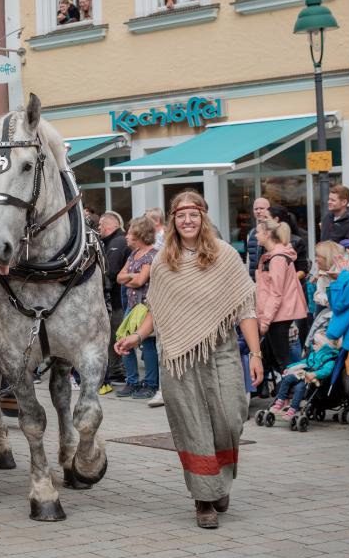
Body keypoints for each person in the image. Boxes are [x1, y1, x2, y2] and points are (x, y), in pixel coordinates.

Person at [116, 191, 263, 529]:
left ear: (203, 217)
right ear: (172, 220)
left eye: (193, 215)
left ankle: (219, 480)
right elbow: (156, 308)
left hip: (222, 350)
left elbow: (246, 307)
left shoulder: (225, 256)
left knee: (230, 419)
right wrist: (138, 336)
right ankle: (204, 499)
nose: (187, 221)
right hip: (179, 357)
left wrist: (255, 354)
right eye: (180, 215)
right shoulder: (163, 261)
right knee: (192, 426)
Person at [255, 219, 308, 380]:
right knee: (279, 361)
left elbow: (276, 292)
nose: (256, 235)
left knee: (283, 362)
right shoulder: (272, 256)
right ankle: (287, 397)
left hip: (277, 316)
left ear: (267, 234)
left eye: (258, 232)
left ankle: (290, 398)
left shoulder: (277, 259)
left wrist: (265, 321)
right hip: (275, 315)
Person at [116, 215, 160, 403]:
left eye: (131, 231)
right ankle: (132, 380)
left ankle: (150, 384)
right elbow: (119, 277)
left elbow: (141, 281)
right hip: (132, 305)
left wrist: (130, 277)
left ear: (140, 233)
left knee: (148, 345)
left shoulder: (153, 254)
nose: (127, 234)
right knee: (123, 339)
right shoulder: (134, 254)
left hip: (145, 306)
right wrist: (133, 276)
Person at [268, 332, 341, 422]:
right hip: (303, 373)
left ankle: (293, 409)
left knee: (300, 387)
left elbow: (326, 371)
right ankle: (280, 401)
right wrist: (290, 367)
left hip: (312, 379)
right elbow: (304, 362)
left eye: (315, 343)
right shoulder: (313, 354)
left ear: (324, 346)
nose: (312, 344)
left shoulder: (329, 359)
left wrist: (315, 374)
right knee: (287, 378)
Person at [98, 212, 129, 392]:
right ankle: (117, 371)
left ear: (108, 225)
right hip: (117, 300)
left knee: (115, 337)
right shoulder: (111, 242)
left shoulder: (118, 242)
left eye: (101, 225)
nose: (99, 229)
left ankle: (117, 372)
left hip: (118, 301)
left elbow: (110, 271)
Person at [244, 196, 271, 280]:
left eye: (262, 208)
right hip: (254, 280)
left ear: (269, 210)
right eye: (256, 209)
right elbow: (249, 258)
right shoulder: (251, 233)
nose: (258, 211)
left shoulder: (275, 231)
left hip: (270, 279)